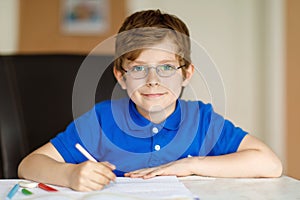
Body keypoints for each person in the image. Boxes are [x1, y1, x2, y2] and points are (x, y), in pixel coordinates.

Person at [18, 9, 282, 192]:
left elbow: (270, 164)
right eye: (138, 68)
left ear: (186, 74)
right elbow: (28, 165)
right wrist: (70, 174)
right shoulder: (102, 120)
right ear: (121, 76)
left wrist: (190, 165)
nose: (153, 80)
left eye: (166, 67)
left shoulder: (201, 119)